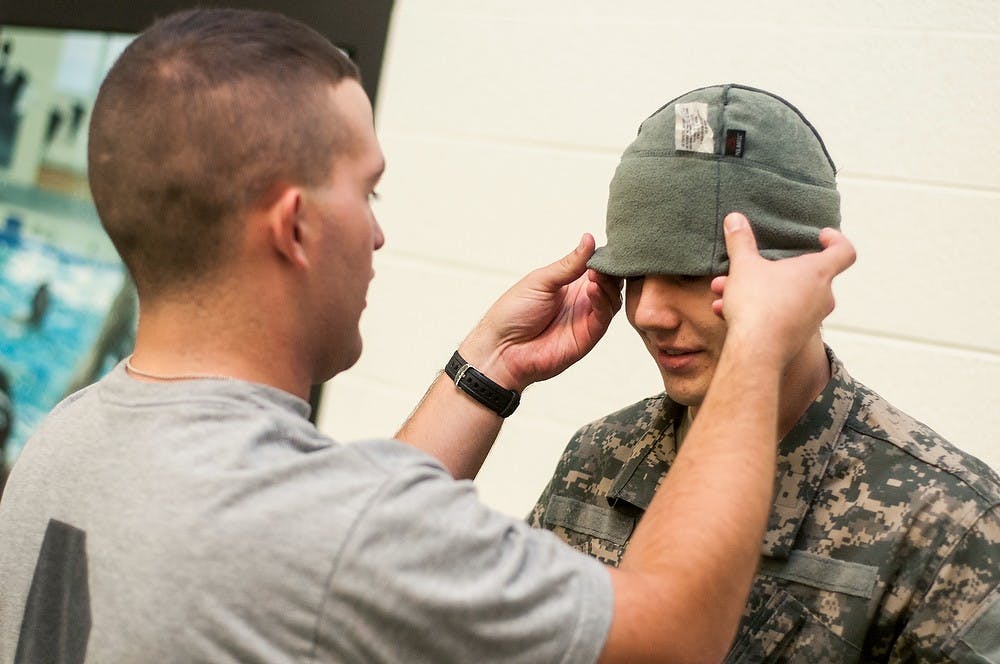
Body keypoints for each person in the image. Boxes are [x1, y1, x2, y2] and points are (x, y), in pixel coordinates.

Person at [0, 13, 856, 663]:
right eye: (367, 192)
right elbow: (672, 632)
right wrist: (757, 346)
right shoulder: (334, 524)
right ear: (295, 227)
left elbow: (336, 553)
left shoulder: (65, 443)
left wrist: (486, 371)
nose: (377, 234)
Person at [529, 84, 1000, 662]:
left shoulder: (945, 522)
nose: (648, 313)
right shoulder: (601, 458)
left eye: (689, 275)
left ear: (800, 276)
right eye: (634, 274)